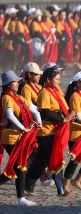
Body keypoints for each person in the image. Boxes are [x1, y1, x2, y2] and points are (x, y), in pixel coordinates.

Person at [0, 71, 41, 206]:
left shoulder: (19, 98)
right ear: (9, 85)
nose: (18, 83)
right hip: (10, 136)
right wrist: (23, 128)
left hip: (21, 136)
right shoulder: (6, 98)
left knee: (20, 165)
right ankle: (20, 198)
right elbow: (10, 116)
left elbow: (34, 109)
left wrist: (39, 122)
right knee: (20, 166)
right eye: (15, 82)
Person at [25, 67, 76, 196]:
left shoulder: (56, 91)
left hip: (55, 130)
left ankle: (28, 184)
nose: (59, 81)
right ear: (48, 80)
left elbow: (63, 107)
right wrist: (63, 119)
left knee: (41, 159)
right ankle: (61, 189)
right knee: (52, 157)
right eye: (57, 79)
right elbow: (46, 112)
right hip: (45, 132)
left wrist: (68, 117)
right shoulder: (44, 93)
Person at [63, 72, 81, 195]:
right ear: (79, 83)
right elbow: (78, 117)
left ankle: (76, 180)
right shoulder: (75, 96)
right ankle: (65, 184)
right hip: (76, 132)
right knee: (75, 160)